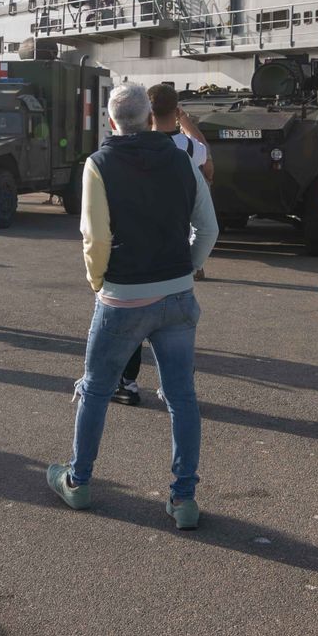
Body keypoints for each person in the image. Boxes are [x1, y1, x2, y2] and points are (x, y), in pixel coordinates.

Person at [46, 83, 218, 529]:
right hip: (178, 294)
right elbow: (209, 227)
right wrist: (187, 267)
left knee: (96, 388)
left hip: (124, 295)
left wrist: (97, 279)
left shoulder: (99, 164)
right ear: (149, 117)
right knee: (181, 397)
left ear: (111, 121)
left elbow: (95, 236)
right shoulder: (183, 160)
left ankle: (79, 481)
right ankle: (184, 500)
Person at [114, 84, 213, 404]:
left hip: (133, 251)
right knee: (173, 329)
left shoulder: (127, 146)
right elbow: (208, 162)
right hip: (176, 252)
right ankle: (175, 383)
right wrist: (193, 263)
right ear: (176, 108)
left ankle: (126, 383)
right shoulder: (186, 149)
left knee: (131, 325)